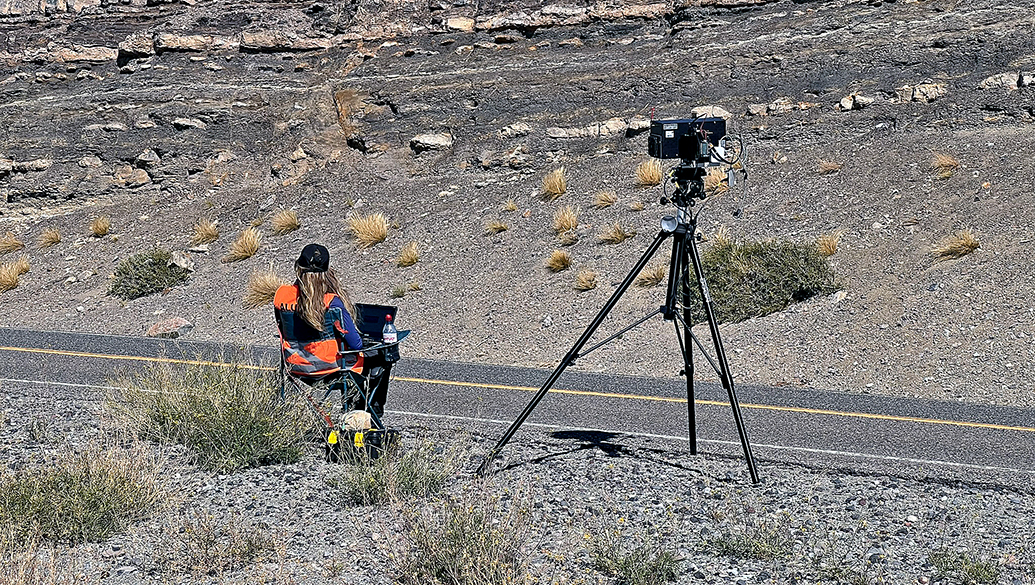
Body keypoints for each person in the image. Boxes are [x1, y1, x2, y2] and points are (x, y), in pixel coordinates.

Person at [274, 243, 384, 423]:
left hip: (297, 369)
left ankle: (360, 415)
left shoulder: (281, 296)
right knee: (383, 356)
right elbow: (356, 344)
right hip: (333, 370)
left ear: (298, 268)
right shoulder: (331, 302)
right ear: (326, 272)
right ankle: (367, 415)